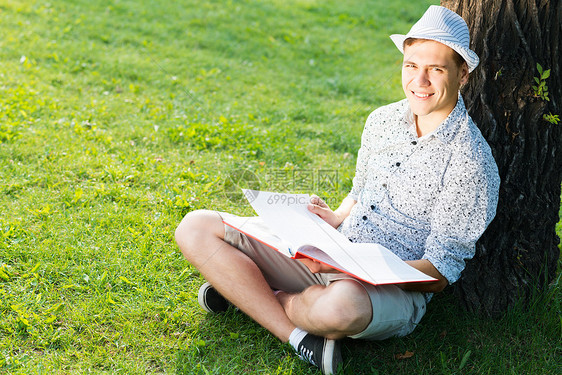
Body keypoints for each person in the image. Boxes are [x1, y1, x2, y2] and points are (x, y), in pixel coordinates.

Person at [174, 5, 500, 374]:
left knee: (340, 308)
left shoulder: (470, 163)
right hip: (332, 252)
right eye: (411, 66)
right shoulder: (382, 120)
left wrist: (355, 270)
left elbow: (438, 274)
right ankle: (298, 333)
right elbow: (360, 189)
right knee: (196, 226)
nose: (419, 81)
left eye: (436, 69)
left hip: (383, 290)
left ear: (463, 74)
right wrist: (335, 217)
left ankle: (253, 295)